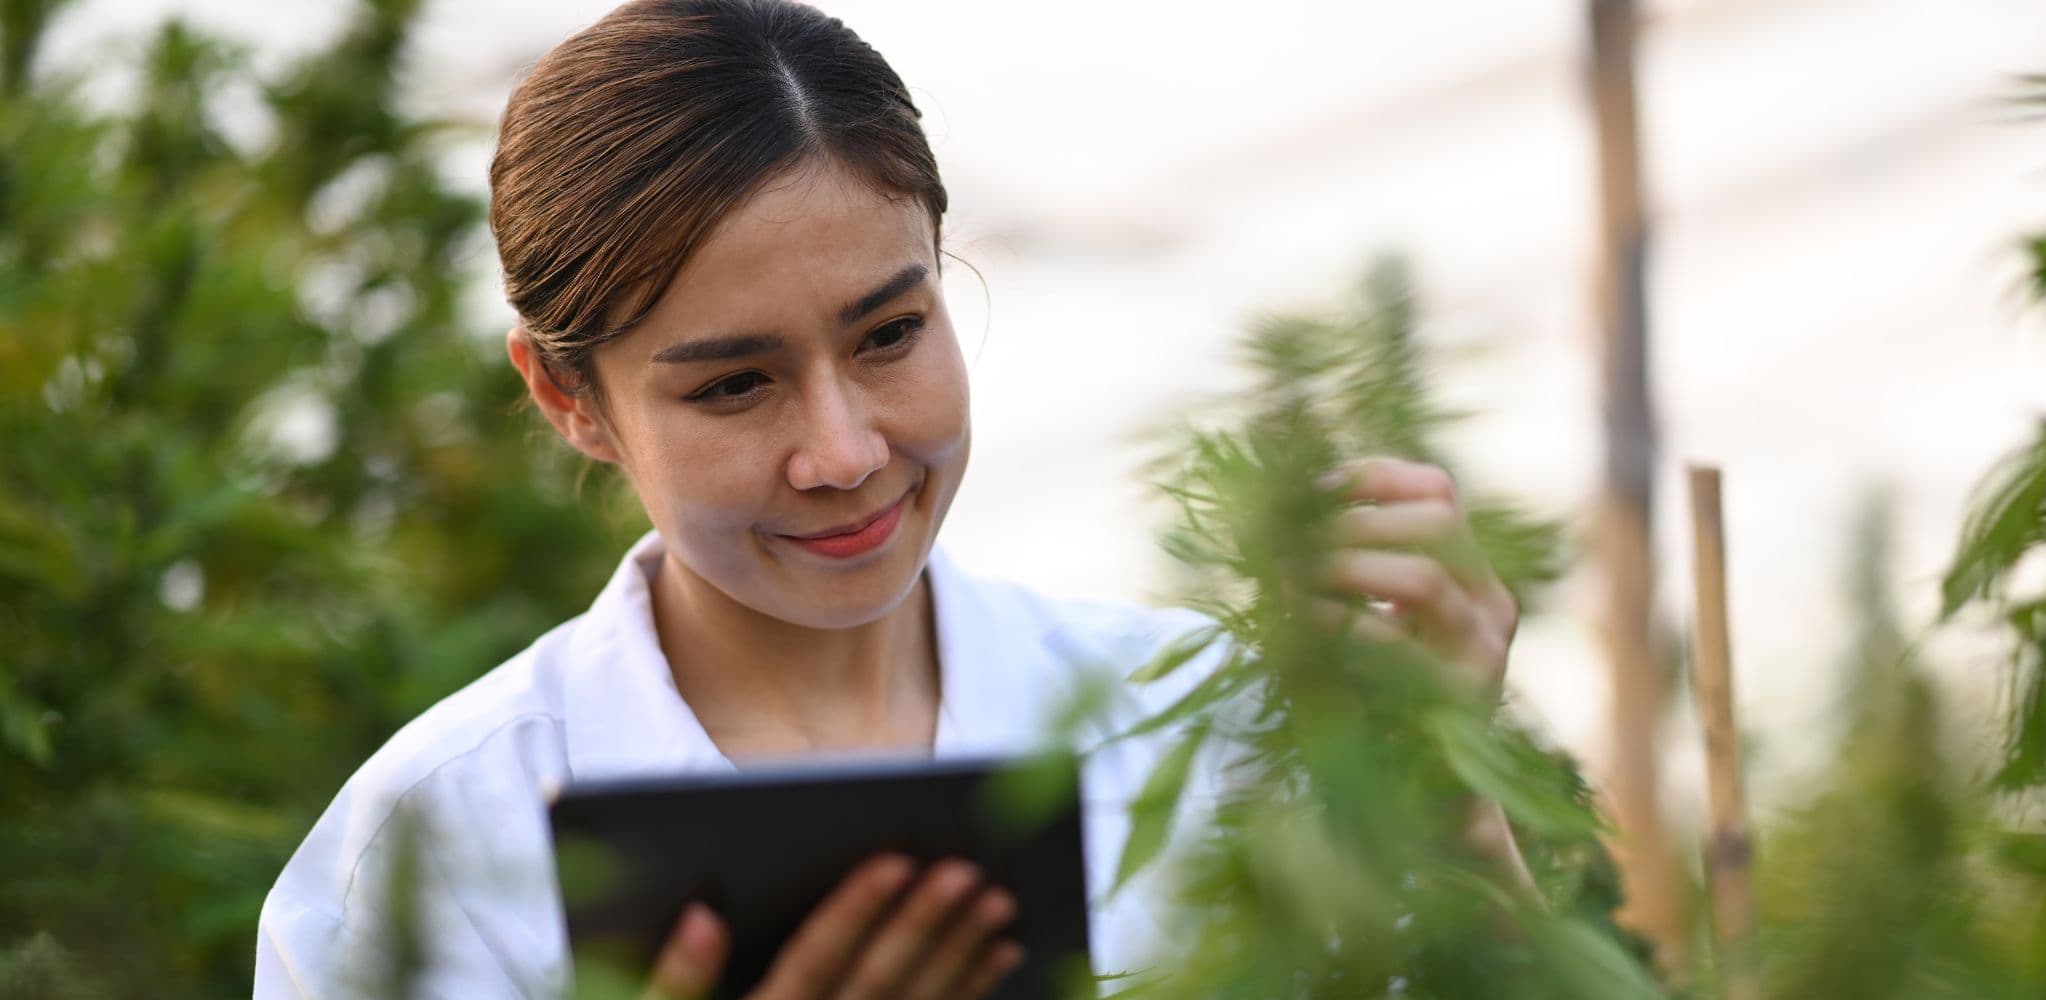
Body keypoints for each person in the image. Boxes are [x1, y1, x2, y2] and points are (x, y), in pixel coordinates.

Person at [253, 1, 1522, 996]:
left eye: (888, 334)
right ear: (568, 398)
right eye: (735, 386)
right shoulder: (425, 864)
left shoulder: (1205, 725)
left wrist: (1438, 772)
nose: (843, 451)